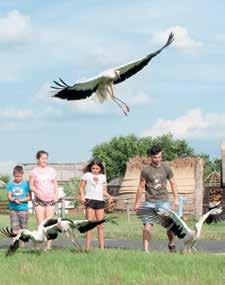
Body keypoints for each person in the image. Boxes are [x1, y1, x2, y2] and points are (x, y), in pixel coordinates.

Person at [134, 144, 179, 253]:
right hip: (150, 202)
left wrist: (176, 199)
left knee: (169, 226)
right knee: (147, 226)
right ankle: (145, 250)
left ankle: (171, 243)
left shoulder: (166, 168)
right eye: (155, 157)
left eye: (159, 157)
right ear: (151, 157)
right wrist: (137, 203)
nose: (158, 159)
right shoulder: (146, 170)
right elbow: (141, 187)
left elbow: (173, 183)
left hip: (163, 201)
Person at [79, 158, 112, 250]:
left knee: (100, 225)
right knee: (89, 225)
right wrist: (82, 196)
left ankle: (101, 248)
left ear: (100, 168)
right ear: (91, 168)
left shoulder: (103, 177)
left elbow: (104, 191)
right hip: (90, 201)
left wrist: (109, 196)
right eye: (93, 168)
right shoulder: (87, 175)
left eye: (97, 169)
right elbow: (81, 187)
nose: (95, 170)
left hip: (100, 202)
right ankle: (87, 248)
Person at [29, 150, 58, 251]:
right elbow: (31, 186)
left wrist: (56, 195)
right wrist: (37, 191)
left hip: (50, 199)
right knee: (40, 223)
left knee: (49, 224)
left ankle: (48, 247)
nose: (45, 160)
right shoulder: (34, 171)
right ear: (38, 159)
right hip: (39, 200)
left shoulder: (52, 170)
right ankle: (38, 246)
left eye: (46, 158)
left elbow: (55, 184)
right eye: (43, 158)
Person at [7, 165, 31, 240]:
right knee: (14, 227)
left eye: (20, 176)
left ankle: (22, 245)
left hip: (23, 209)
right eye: (16, 176)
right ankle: (15, 244)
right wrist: (14, 199)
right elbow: (9, 197)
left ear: (22, 174)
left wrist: (20, 200)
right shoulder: (10, 184)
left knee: (23, 228)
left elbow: (29, 197)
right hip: (13, 209)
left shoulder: (26, 184)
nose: (18, 178)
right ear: (13, 175)